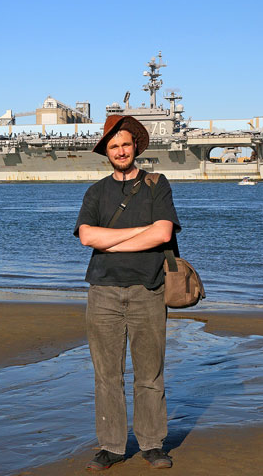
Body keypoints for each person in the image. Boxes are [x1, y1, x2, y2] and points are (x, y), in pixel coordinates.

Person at [74, 115, 181, 471]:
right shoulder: (95, 191)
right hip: (102, 292)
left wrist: (113, 241)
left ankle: (152, 444)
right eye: (113, 145)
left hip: (148, 289)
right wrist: (139, 234)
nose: (120, 150)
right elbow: (88, 237)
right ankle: (111, 447)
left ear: (135, 146)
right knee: (106, 375)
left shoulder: (156, 185)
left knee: (150, 373)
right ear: (106, 151)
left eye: (125, 144)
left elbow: (163, 233)